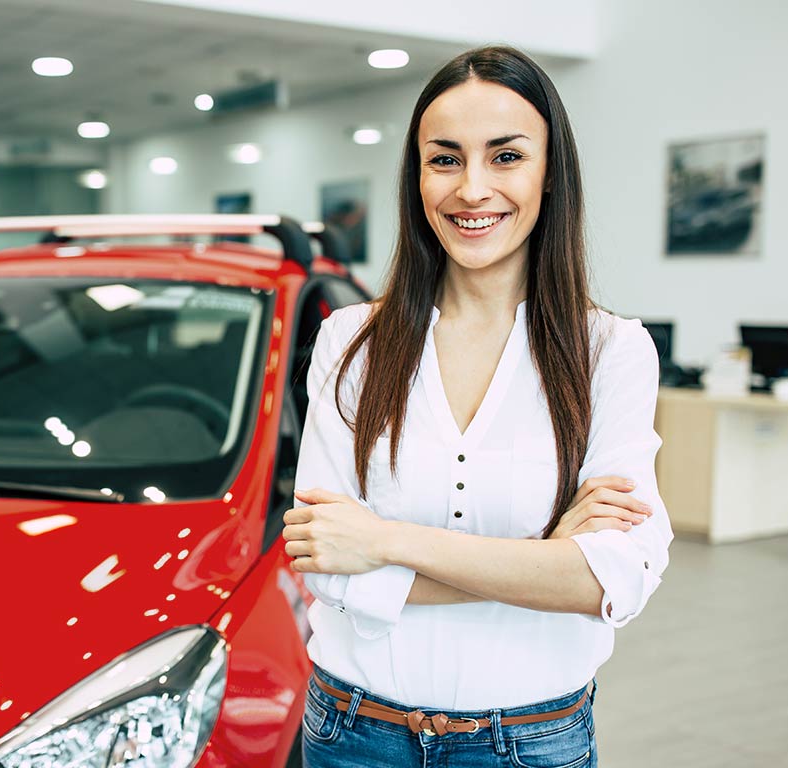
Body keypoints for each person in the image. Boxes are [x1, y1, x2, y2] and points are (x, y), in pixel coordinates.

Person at [283, 45, 673, 768]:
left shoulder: (610, 352)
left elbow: (614, 577)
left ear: (549, 173)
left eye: (505, 157)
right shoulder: (350, 343)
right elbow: (326, 563)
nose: (471, 189)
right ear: (417, 177)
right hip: (353, 734)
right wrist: (545, 559)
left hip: (532, 742)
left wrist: (387, 541)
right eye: (444, 159)